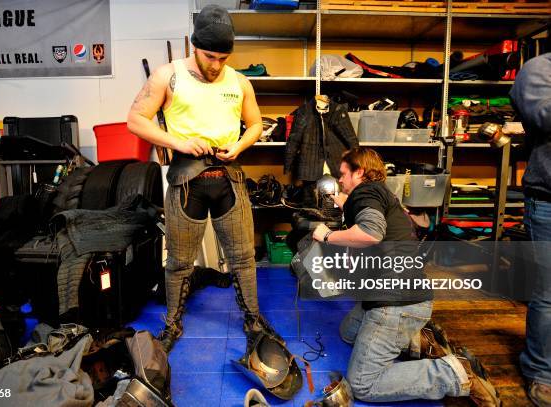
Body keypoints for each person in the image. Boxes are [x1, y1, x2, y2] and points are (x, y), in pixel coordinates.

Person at [126, 5, 281, 352]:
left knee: (242, 258)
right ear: (195, 46)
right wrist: (177, 142)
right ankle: (172, 326)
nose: (216, 65)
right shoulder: (169, 76)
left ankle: (253, 320)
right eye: (210, 56)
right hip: (186, 181)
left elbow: (256, 123)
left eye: (223, 58)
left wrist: (240, 144)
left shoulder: (239, 81)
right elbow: (136, 119)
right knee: (179, 262)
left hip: (228, 178)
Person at [312, 148, 500, 405]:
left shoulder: (365, 192)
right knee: (348, 332)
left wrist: (326, 235)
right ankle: (418, 341)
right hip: (400, 294)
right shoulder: (382, 193)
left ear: (360, 172)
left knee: (363, 384)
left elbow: (370, 233)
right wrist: (346, 204)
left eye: (343, 174)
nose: (341, 181)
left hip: (396, 304)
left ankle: (455, 373)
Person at [509, 52, 551, 406]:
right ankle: (542, 371)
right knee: (550, 294)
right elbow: (544, 115)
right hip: (549, 199)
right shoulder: (539, 70)